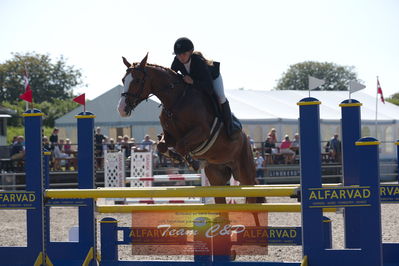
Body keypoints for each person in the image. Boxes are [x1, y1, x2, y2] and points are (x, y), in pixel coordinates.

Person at [171, 37, 241, 139]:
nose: (181, 57)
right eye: (178, 55)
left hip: (211, 79)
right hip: (194, 81)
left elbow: (209, 88)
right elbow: (172, 74)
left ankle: (230, 127)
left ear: (190, 52)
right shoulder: (177, 60)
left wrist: (193, 81)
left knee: (221, 97)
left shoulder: (198, 62)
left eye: (184, 54)